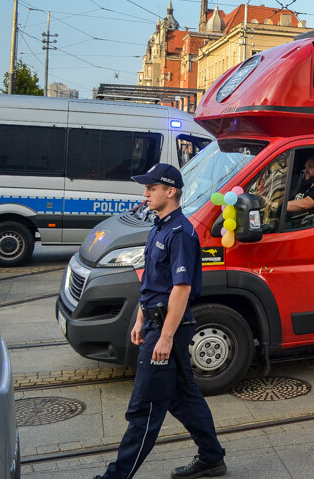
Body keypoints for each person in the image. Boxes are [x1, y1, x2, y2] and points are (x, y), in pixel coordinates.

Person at [96, 163, 226, 479]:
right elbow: (153, 281)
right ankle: (211, 457)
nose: (146, 193)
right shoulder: (159, 226)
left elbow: (180, 290)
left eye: (151, 188)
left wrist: (165, 337)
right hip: (156, 323)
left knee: (145, 409)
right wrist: (140, 318)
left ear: (170, 191)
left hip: (169, 328)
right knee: (183, 398)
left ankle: (117, 476)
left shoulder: (181, 233)